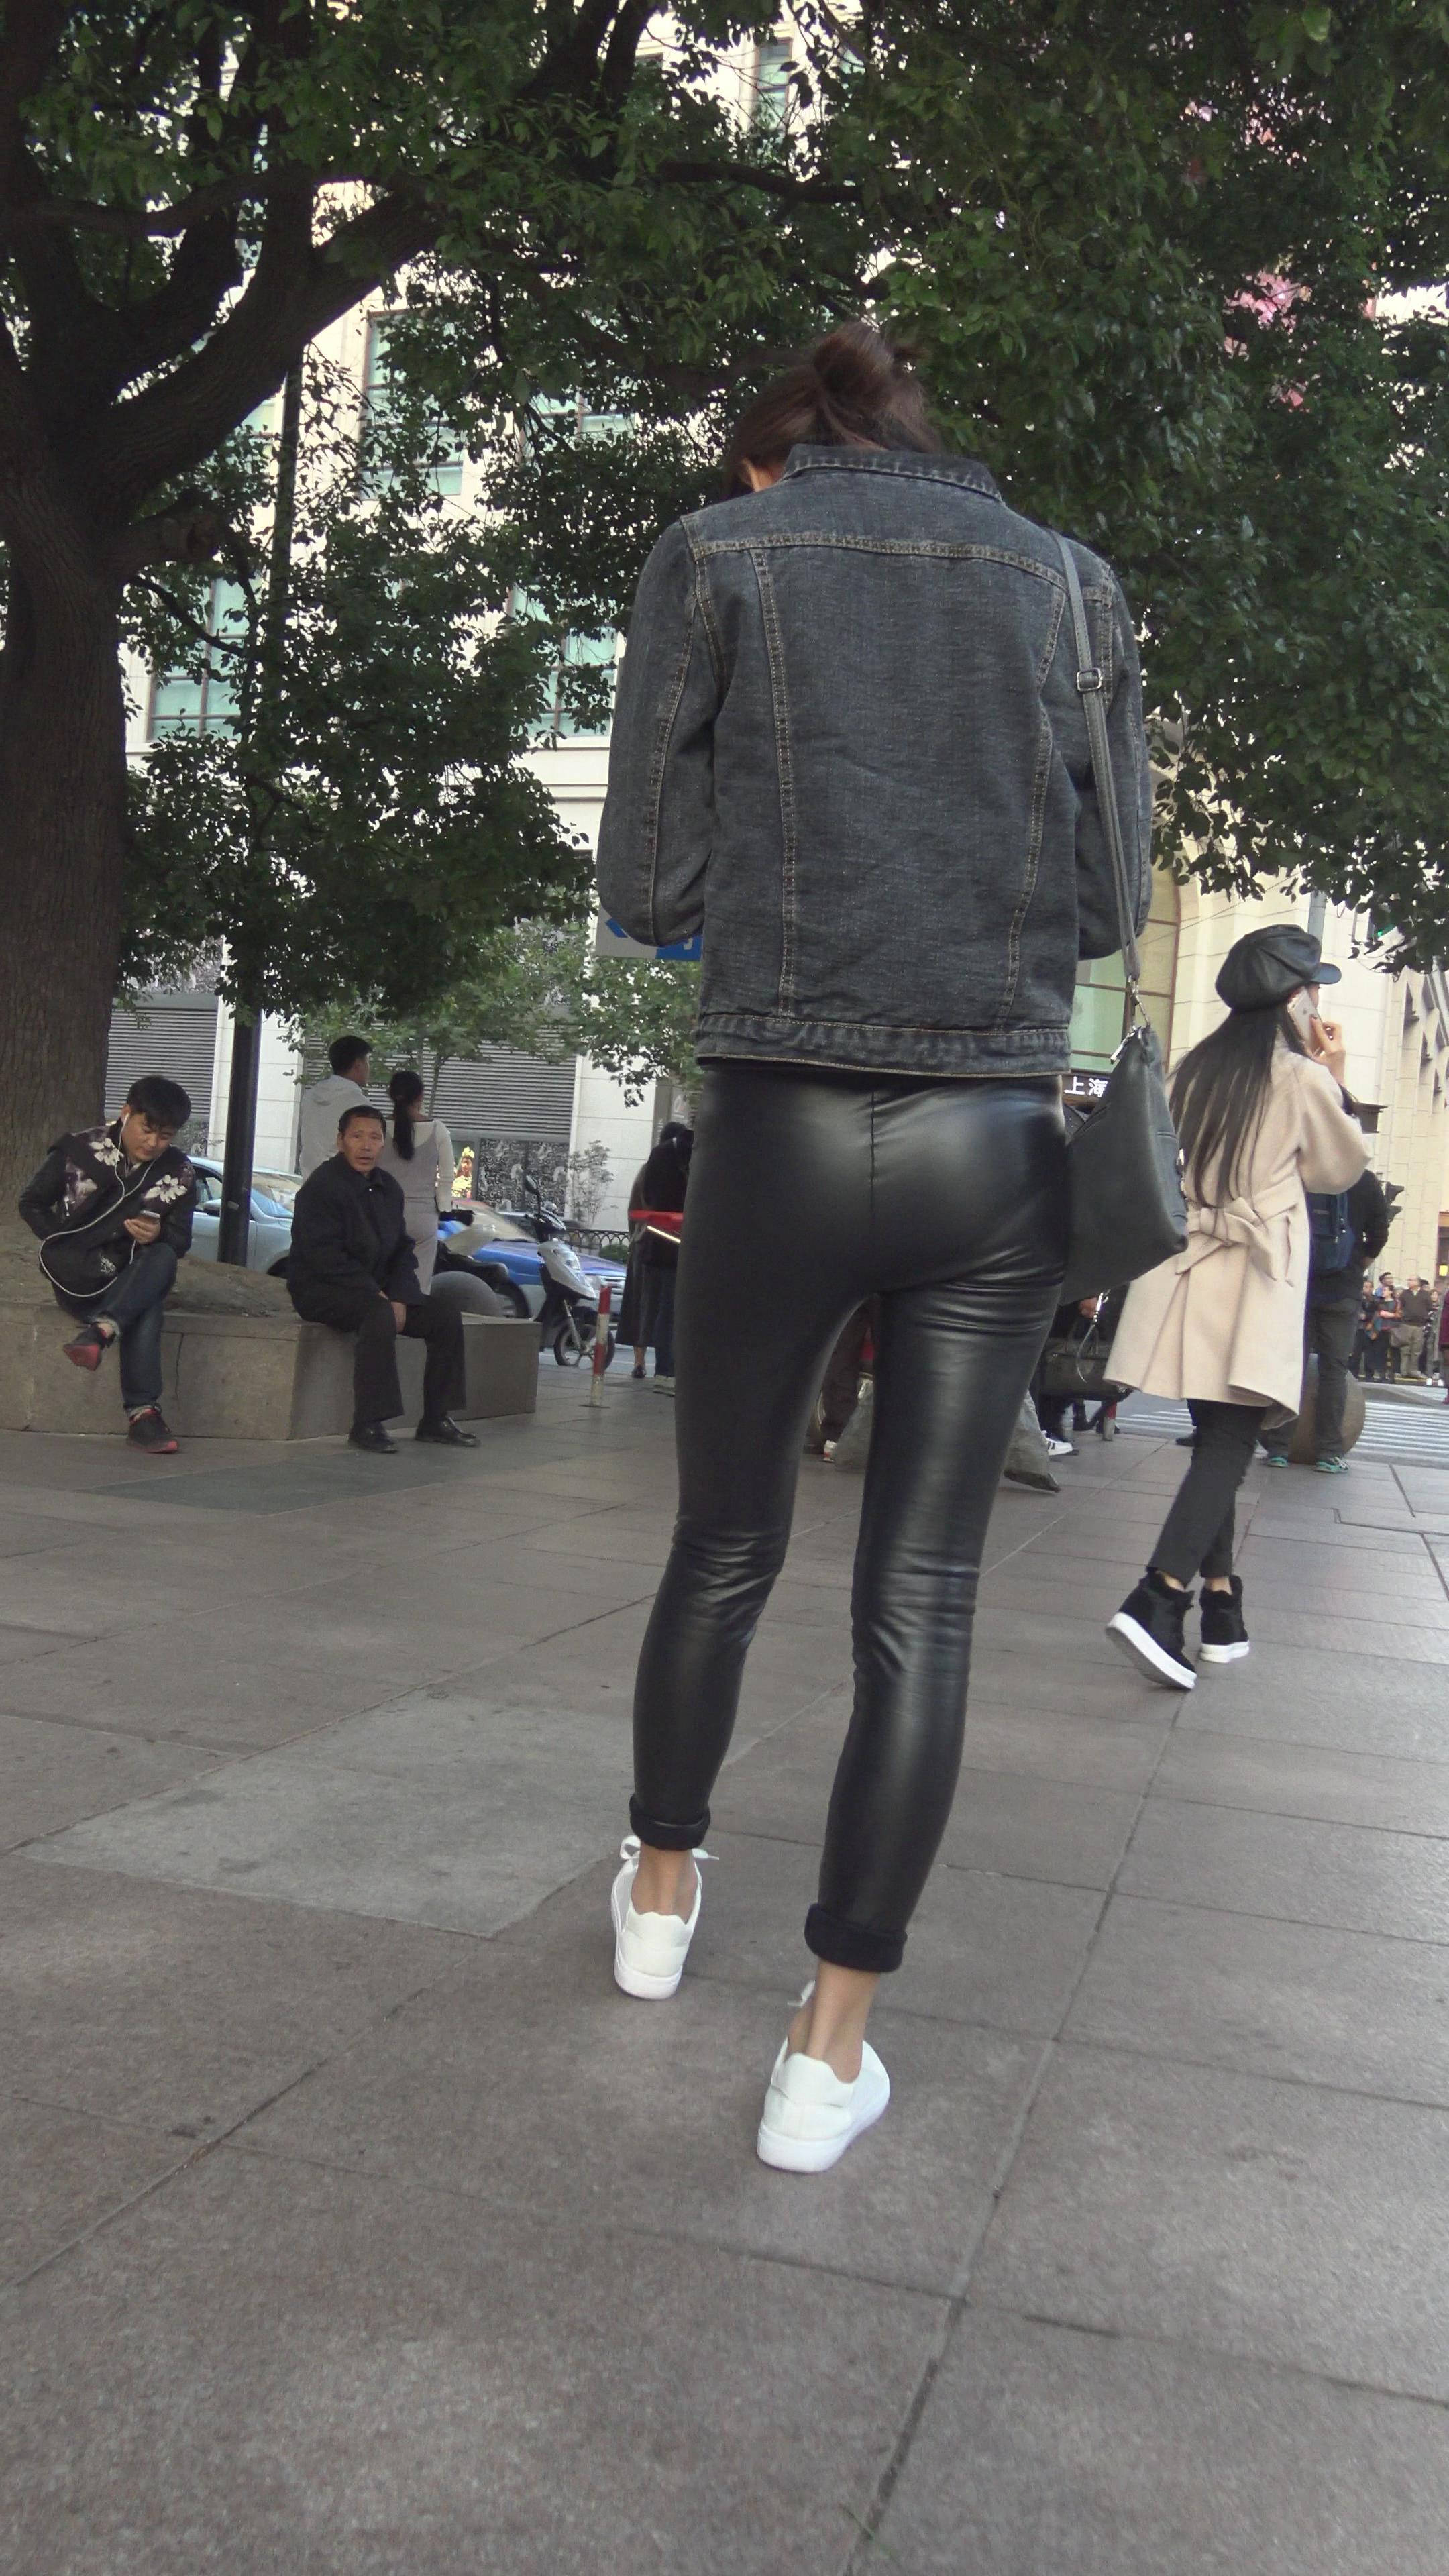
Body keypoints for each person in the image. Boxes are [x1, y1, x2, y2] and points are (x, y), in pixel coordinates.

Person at [594, 318, 1150, 2171]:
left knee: (722, 1542)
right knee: (923, 1600)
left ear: (775, 457)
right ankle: (824, 2056)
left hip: (774, 1120)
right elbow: (1109, 898)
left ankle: (659, 1892)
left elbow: (646, 883)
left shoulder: (715, 555)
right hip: (994, 1138)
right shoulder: (1067, 585)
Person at [1105, 925, 1366, 1688]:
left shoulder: (1192, 1070)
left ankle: (1221, 1604)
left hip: (1189, 1274)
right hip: (1253, 1277)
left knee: (1216, 1440)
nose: (1315, 1000)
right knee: (1229, 1444)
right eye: (1311, 987)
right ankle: (1158, 1595)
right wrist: (1337, 1075)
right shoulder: (1301, 1078)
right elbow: (1338, 1169)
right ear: (1293, 999)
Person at [18, 1075, 198, 1454]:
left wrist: (159, 1233)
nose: (153, 1143)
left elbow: (181, 1241)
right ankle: (143, 1415)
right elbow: (31, 1203)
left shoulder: (179, 1172)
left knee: (162, 1257)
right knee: (147, 1304)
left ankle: (101, 1331)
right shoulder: (80, 1149)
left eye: (165, 1136)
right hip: (78, 1277)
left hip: (132, 1272)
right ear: (126, 1113)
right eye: (147, 1129)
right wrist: (61, 1243)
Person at [287, 1103, 478, 1455]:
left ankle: (437, 1419)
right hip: (325, 1290)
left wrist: (401, 1295)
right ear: (340, 1140)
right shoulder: (321, 1188)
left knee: (444, 1316)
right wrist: (377, 1295)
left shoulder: (388, 1187)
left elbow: (401, 1249)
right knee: (378, 1316)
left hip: (380, 1292)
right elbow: (323, 1256)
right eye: (357, 1136)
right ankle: (368, 1423)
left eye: (375, 1138)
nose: (366, 1145)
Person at [1261, 1167, 1389, 1471]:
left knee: (1292, 1364)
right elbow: (1379, 1233)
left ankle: (1278, 1448)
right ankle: (1329, 1452)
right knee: (1334, 1371)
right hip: (1343, 1289)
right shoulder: (1363, 1179)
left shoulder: (1302, 1173)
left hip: (1298, 1286)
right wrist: (1357, 1262)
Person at [378, 1070, 455, 1293]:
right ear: (420, 1096)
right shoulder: (438, 1129)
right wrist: (444, 1208)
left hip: (384, 1214)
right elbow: (447, 1177)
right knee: (418, 1286)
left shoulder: (379, 1127)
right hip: (423, 1217)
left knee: (382, 1280)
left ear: (391, 1094)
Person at [631, 1122, 692, 1392]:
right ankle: (668, 1371)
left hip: (655, 1244)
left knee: (656, 1309)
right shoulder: (698, 1155)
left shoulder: (658, 1156)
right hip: (679, 1246)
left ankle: (661, 1369)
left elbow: (646, 1195)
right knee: (671, 1310)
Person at [298, 1034, 372, 1179]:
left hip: (310, 1181)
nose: (369, 1068)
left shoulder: (310, 1097)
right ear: (358, 1065)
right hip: (343, 1184)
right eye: (367, 1062)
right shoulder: (360, 1106)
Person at [1398, 1275, 1434, 1381]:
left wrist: (1425, 1317)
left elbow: (1429, 1308)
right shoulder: (1405, 1294)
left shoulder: (1425, 1294)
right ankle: (1404, 1371)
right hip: (1406, 1324)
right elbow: (1400, 1307)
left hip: (1419, 1325)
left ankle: (1413, 1370)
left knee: (1416, 1350)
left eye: (1411, 1280)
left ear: (1418, 1282)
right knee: (1405, 1349)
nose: (1409, 1282)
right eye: (1409, 1280)